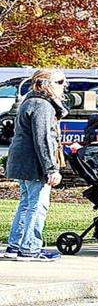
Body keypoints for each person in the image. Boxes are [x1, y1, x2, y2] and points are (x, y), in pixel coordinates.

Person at [4, 68, 67, 262]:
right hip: (34, 164)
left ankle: (15, 246)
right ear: (46, 84)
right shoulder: (42, 105)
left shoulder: (30, 101)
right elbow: (43, 139)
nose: (63, 86)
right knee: (37, 206)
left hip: (23, 161)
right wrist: (51, 169)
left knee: (26, 204)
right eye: (59, 82)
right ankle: (30, 248)